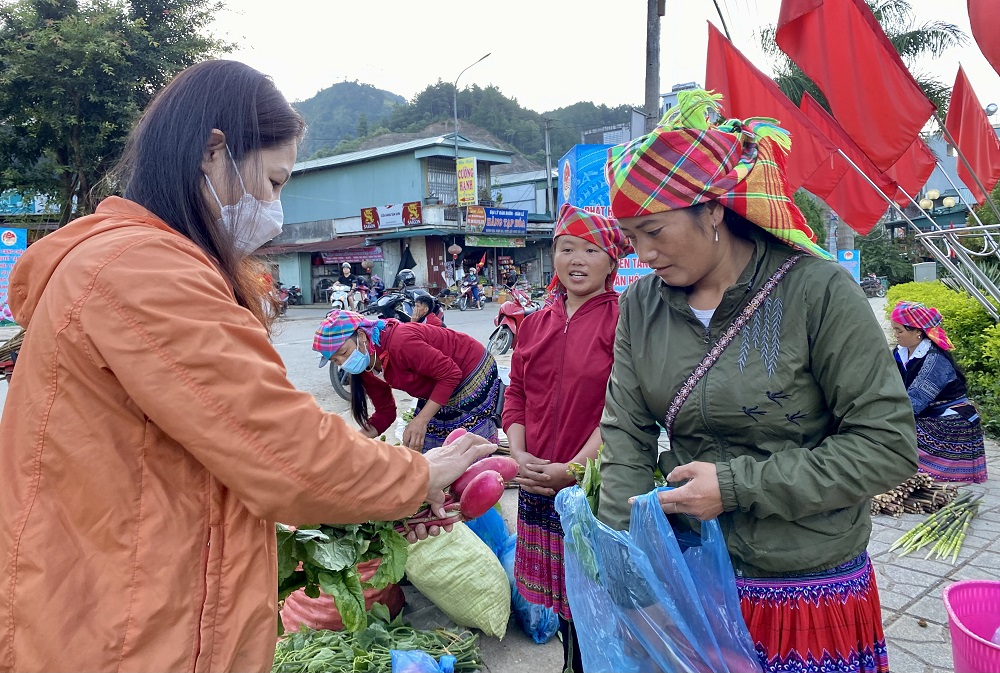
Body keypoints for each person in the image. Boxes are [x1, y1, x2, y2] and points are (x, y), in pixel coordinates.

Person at [0, 60, 495, 673]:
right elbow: (284, 450)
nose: (275, 208)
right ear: (215, 153)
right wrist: (418, 477)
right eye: (275, 181)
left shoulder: (131, 266)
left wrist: (383, 497)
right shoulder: (142, 274)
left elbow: (227, 448)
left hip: (132, 602)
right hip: (125, 631)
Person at [597, 90, 917, 673]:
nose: (642, 255)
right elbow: (624, 434)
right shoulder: (642, 306)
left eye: (654, 231)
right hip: (697, 575)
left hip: (806, 582)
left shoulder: (816, 292)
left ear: (713, 210)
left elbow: (887, 447)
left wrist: (737, 486)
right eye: (630, 238)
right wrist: (626, 570)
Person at [504, 203, 630, 673]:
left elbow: (623, 411)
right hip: (537, 483)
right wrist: (519, 456)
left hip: (591, 486)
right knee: (559, 604)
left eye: (591, 250)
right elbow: (515, 393)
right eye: (566, 248)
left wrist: (573, 469)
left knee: (594, 601)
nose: (576, 259)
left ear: (612, 262)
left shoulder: (622, 322)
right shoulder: (534, 324)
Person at [315, 310, 501, 452]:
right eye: (335, 360)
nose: (342, 362)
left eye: (343, 353)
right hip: (437, 381)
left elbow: (450, 374)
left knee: (466, 446)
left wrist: (421, 419)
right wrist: (354, 442)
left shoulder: (400, 342)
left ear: (362, 336)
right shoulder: (366, 368)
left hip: (471, 369)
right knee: (426, 445)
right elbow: (385, 413)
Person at [892, 301, 988, 483]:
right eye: (894, 330)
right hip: (921, 412)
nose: (895, 335)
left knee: (898, 437)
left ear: (917, 332)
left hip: (950, 419)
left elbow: (914, 403)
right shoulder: (899, 354)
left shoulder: (935, 360)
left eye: (899, 331)